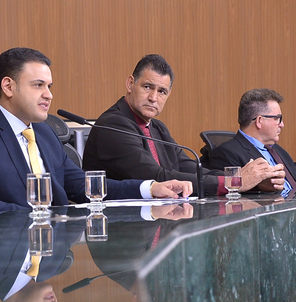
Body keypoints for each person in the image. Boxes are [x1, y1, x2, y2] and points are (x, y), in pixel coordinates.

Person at [0, 48, 193, 217]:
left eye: (49, 86)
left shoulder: (45, 134)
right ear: (8, 86)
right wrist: (30, 215)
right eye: (38, 85)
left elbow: (82, 185)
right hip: (4, 258)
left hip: (53, 254)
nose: (48, 95)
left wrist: (149, 189)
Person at [82, 54, 285, 197]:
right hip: (120, 231)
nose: (153, 97)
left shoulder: (157, 128)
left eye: (161, 91)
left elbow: (192, 168)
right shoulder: (113, 125)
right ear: (130, 84)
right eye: (147, 87)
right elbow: (158, 178)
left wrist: (249, 181)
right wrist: (235, 182)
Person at [208, 89, 296, 198]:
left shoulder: (279, 151)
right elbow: (235, 197)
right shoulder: (226, 153)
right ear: (259, 121)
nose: (282, 124)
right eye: (277, 118)